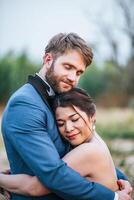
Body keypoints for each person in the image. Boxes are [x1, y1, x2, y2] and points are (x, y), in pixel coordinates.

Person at [0, 33, 132, 200]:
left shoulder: (61, 98)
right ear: (48, 60)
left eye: (78, 72)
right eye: (68, 67)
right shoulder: (25, 105)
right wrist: (113, 197)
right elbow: (54, 174)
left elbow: (81, 153)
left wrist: (118, 179)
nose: (73, 78)